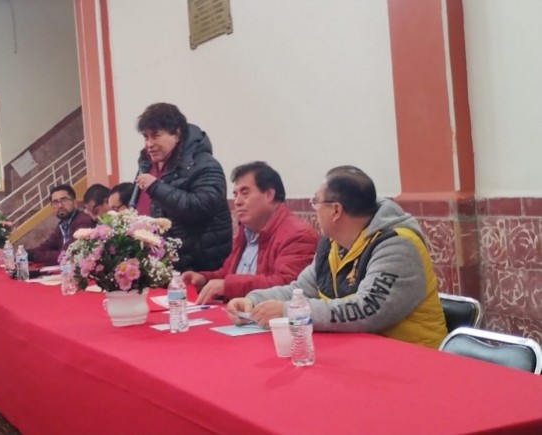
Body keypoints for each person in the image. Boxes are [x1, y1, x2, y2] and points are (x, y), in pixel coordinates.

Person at [226, 165, 447, 348]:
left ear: (336, 210)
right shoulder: (332, 244)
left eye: (316, 201)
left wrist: (288, 311)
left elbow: (366, 310)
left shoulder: (398, 244)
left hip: (414, 359)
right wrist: (254, 301)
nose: (314, 209)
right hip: (363, 352)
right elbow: (301, 289)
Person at [183, 162, 318, 304]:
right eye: (235, 195)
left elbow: (287, 285)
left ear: (269, 194)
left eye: (245, 193)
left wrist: (227, 286)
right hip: (236, 311)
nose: (237, 202)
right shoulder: (247, 230)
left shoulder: (298, 234)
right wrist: (204, 279)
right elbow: (228, 273)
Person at [132, 102, 232, 271]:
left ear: (177, 134)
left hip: (199, 266)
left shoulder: (204, 164)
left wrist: (156, 187)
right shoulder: (146, 165)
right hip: (163, 264)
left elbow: (202, 208)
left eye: (155, 135)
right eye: (146, 137)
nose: (149, 144)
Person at [27, 184, 94, 265]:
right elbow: (45, 247)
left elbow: (67, 255)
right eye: (55, 202)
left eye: (64, 200)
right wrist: (25, 253)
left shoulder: (83, 221)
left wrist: (33, 256)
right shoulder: (62, 224)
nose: (60, 205)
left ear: (74, 202)